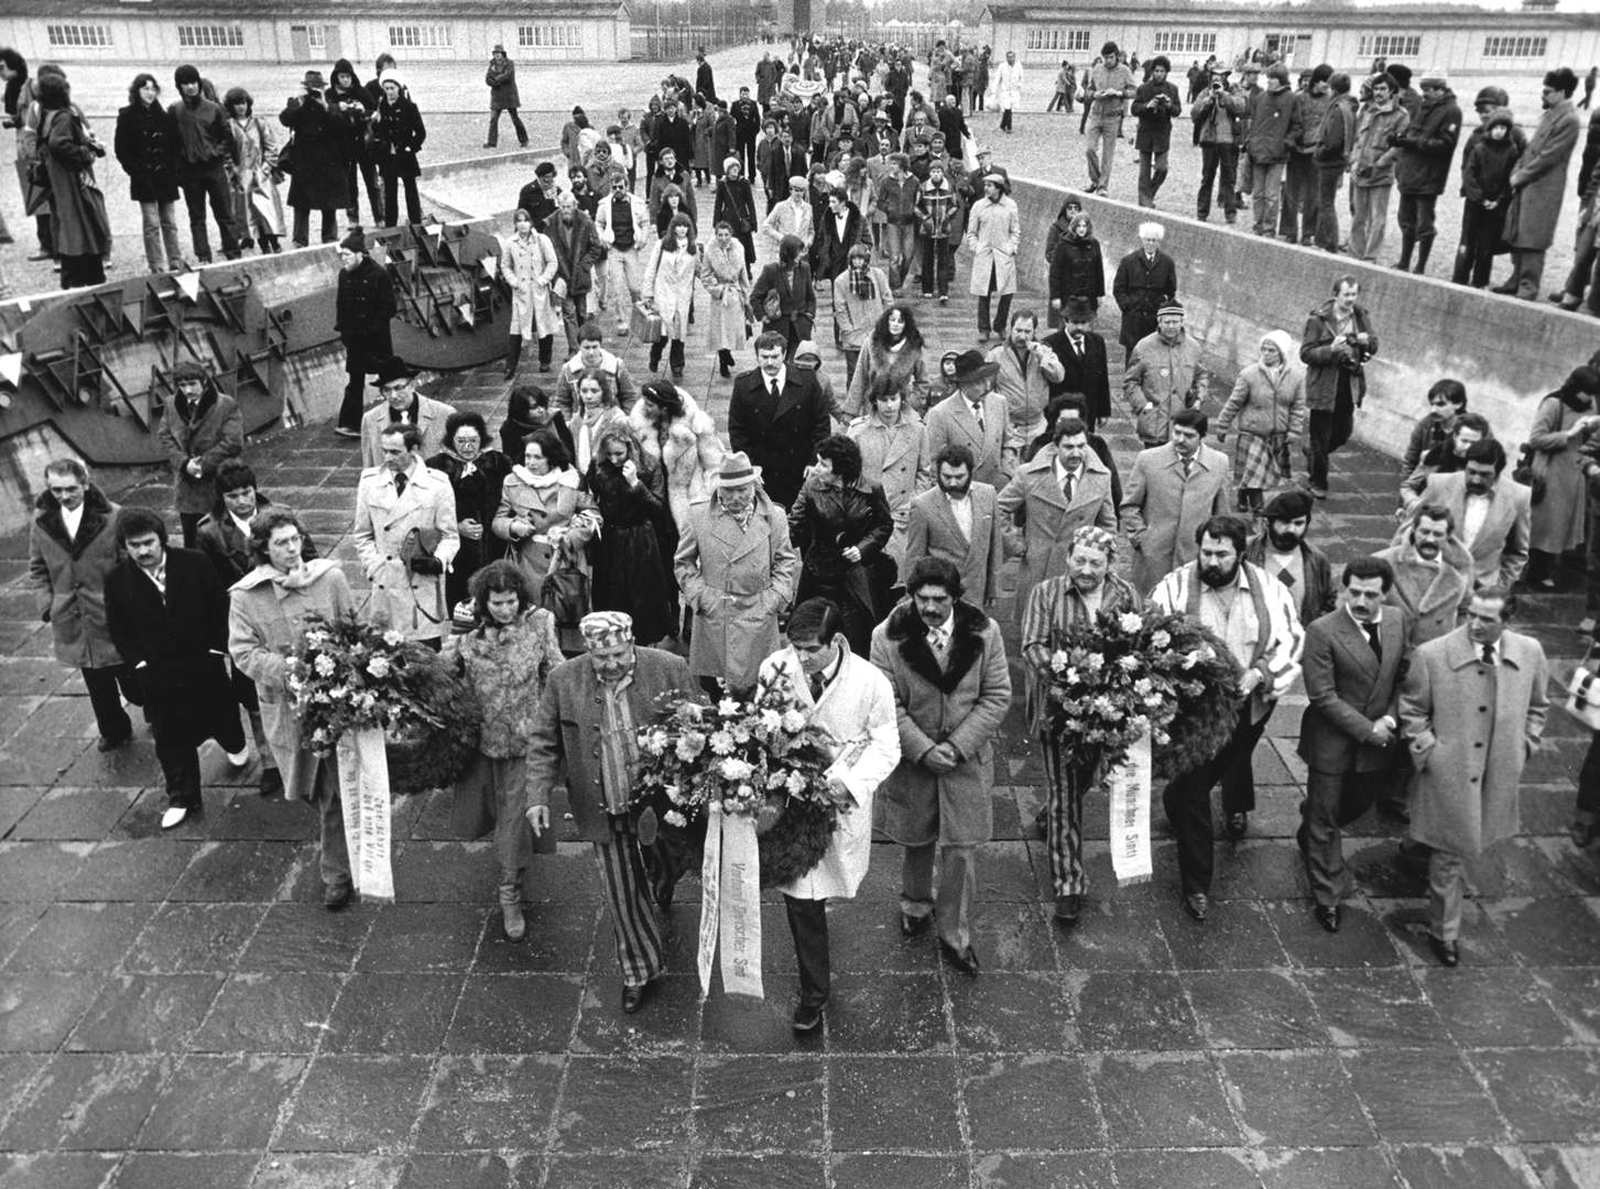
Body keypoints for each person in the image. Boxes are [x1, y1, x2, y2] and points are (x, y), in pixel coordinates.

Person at [525, 612, 698, 1012]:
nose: (611, 665)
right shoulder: (563, 680)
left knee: (667, 861)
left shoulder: (670, 668)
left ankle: (663, 877)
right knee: (622, 891)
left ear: (632, 643)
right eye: (601, 659)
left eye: (619, 655)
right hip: (604, 806)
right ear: (588, 652)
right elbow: (542, 742)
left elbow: (697, 725)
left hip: (661, 803)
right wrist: (537, 796)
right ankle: (639, 969)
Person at [1149, 515, 1304, 920]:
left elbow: (1292, 640)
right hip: (1194, 714)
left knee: (1196, 782)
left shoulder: (1270, 590)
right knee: (1192, 791)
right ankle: (1197, 884)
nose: (1212, 561)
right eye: (1206, 552)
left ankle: (1175, 799)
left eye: (1222, 554)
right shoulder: (1173, 587)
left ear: (1239, 554)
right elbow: (1151, 636)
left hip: (1247, 711)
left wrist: (1261, 673)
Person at [758, 597, 899, 1032]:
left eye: (810, 649)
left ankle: (813, 982)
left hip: (840, 797)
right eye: (794, 647)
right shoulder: (774, 669)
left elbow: (885, 744)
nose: (799, 658)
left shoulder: (871, 682)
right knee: (801, 897)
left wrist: (840, 772)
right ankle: (813, 995)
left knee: (825, 884)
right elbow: (763, 726)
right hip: (791, 804)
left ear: (837, 640)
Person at [871, 555, 1011, 976]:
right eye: (921, 599)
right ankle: (915, 905)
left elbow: (997, 695)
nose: (929, 609)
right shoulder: (887, 637)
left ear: (955, 597)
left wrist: (956, 746)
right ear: (911, 596)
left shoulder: (986, 632)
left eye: (939, 600)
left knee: (961, 853)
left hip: (964, 764)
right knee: (916, 839)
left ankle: (955, 934)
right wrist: (922, 750)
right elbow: (884, 702)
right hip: (914, 763)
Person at [1400, 588, 1548, 966]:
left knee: (1451, 840)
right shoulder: (1433, 654)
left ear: (1507, 621)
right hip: (1450, 773)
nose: (1475, 625)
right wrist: (1429, 751)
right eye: (1471, 614)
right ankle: (1444, 932)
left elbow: (1538, 705)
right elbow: (1413, 710)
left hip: (1496, 772)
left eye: (1487, 619)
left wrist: (1526, 745)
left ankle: (1413, 848)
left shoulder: (1529, 652)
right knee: (1450, 855)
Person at [228, 508, 358, 907]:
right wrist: (290, 670)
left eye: (295, 539)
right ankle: (347, 849)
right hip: (288, 712)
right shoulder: (246, 596)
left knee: (334, 792)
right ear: (263, 549)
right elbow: (243, 653)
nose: (291, 548)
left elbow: (352, 628)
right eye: (280, 543)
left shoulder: (330, 578)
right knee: (310, 790)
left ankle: (336, 873)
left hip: (334, 707)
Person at [1020, 526, 1141, 924]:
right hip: (1061, 709)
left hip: (1107, 709)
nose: (1085, 570)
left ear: (1110, 565)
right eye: (1079, 560)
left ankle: (1047, 816)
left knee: (1085, 779)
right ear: (1067, 557)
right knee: (1065, 793)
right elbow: (1033, 645)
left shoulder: (1125, 594)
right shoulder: (1046, 593)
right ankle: (1069, 884)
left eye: (1096, 563)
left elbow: (1137, 642)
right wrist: (1068, 680)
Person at [106, 508, 245, 830]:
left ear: (161, 539)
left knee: (222, 712)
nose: (143, 551)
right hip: (158, 673)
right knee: (168, 735)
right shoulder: (116, 581)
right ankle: (182, 796)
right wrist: (139, 663)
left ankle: (235, 743)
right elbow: (119, 628)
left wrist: (216, 649)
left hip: (202, 662)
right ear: (124, 546)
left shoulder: (194, 562)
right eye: (134, 545)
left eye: (148, 542)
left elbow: (219, 606)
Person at [444, 562, 560, 941]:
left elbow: (555, 673)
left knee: (514, 822)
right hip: (484, 744)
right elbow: (445, 679)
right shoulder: (468, 636)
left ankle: (509, 892)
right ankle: (514, 868)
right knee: (492, 817)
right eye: (497, 603)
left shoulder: (540, 625)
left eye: (511, 602)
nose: (505, 610)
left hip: (529, 743)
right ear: (483, 602)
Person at [1296, 557, 1409, 933]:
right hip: (1333, 742)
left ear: (1385, 594)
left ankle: (1310, 823)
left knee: (1356, 805)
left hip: (1379, 740)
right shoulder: (1322, 631)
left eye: (1371, 594)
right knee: (1326, 820)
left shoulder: (1396, 621)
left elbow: (1401, 678)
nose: (1361, 601)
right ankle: (1327, 895)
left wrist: (1390, 720)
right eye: (1354, 591)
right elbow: (1323, 697)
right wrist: (1369, 729)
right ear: (1344, 588)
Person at [29, 459, 143, 751]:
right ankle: (114, 730)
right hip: (73, 618)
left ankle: (153, 708)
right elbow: (38, 567)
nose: (64, 496)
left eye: (70, 489)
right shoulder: (42, 521)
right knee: (96, 681)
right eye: (56, 490)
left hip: (113, 617)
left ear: (86, 484)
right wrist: (48, 604)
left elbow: (131, 564)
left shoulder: (114, 517)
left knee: (134, 679)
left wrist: (130, 606)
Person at [674, 451, 799, 697]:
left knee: (763, 694)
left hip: (759, 614)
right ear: (718, 488)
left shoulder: (775, 516)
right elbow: (683, 563)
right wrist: (702, 598)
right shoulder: (698, 516)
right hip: (716, 616)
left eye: (741, 490)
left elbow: (785, 561)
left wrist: (774, 599)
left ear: (753, 485)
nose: (735, 497)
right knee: (715, 694)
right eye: (728, 491)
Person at [997, 414, 1118, 616]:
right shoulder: (1029, 475)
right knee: (1035, 631)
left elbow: (1108, 525)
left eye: (1081, 446)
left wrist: (1101, 560)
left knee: (1075, 634)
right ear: (1055, 447)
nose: (1076, 453)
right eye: (1069, 447)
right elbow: (998, 508)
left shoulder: (1101, 477)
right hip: (1038, 569)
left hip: (1080, 571)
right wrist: (1015, 545)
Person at [354, 423, 460, 645]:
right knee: (386, 664)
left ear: (413, 450)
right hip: (386, 586)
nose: (387, 457)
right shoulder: (370, 482)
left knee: (425, 660)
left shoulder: (437, 484)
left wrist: (438, 561)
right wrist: (375, 567)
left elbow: (450, 535)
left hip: (421, 587)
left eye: (395, 451)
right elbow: (362, 535)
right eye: (384, 450)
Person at [789, 434, 894, 656]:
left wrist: (863, 548)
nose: (816, 468)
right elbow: (794, 525)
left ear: (841, 469)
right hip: (820, 572)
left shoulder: (871, 489)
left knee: (857, 635)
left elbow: (884, 525)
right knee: (815, 632)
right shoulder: (811, 488)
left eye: (823, 464)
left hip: (856, 573)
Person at [1120, 407, 1233, 593]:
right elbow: (1129, 506)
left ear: (1201, 437)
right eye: (1177, 432)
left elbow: (1222, 514)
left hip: (1195, 556)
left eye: (1188, 435)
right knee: (1149, 609)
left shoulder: (1219, 463)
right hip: (1153, 557)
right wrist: (1142, 539)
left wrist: (1214, 548)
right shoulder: (1148, 460)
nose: (1180, 440)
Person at [586, 426, 678, 646]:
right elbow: (588, 495)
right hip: (610, 539)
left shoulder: (649, 465)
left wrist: (636, 484)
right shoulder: (599, 466)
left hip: (641, 539)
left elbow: (658, 507)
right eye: (609, 454)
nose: (614, 459)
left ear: (630, 448)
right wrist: (593, 514)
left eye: (619, 453)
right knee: (611, 594)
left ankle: (645, 643)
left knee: (643, 596)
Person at [493, 428, 599, 612]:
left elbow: (593, 514)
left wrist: (571, 537)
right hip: (528, 562)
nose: (531, 462)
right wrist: (513, 527)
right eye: (528, 456)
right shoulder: (512, 481)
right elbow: (498, 520)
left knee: (567, 617)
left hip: (566, 562)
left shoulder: (570, 480)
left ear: (550, 457)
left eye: (537, 457)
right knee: (534, 617)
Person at [1403, 438, 1531, 590]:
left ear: (1497, 473)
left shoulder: (1519, 496)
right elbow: (1408, 531)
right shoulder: (1439, 484)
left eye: (1485, 475)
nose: (1476, 480)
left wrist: (1500, 586)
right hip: (1431, 583)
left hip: (1480, 591)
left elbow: (1518, 552)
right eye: (1472, 472)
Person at [1501, 68, 1581, 301]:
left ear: (1562, 92)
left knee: (1534, 238)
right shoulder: (1550, 115)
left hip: (1544, 187)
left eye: (1547, 92)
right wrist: (1517, 170)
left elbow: (1549, 156)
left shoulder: (1569, 120)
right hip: (1528, 183)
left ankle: (1528, 284)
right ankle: (1516, 278)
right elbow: (1530, 150)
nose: (1543, 96)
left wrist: (1521, 175)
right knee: (1518, 232)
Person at [727, 331, 830, 510]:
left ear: (784, 355)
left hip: (799, 468)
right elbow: (737, 430)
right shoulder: (744, 385)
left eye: (775, 356)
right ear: (757, 357)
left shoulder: (806, 380)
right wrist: (749, 465)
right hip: (763, 471)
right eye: (764, 357)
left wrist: (815, 462)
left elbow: (821, 424)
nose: (769, 363)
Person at [1300, 275, 1377, 500]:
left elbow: (1374, 344)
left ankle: (1314, 454)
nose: (1351, 299)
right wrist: (1331, 350)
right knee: (1320, 436)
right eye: (1347, 295)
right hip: (1324, 385)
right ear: (1336, 295)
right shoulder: (1318, 320)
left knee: (1343, 433)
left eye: (1354, 294)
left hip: (1349, 383)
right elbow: (1305, 354)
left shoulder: (1361, 315)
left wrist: (1366, 342)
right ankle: (1318, 482)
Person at [425, 411, 512, 612]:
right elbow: (425, 512)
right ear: (451, 441)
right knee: (461, 609)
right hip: (457, 553)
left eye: (473, 440)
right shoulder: (435, 467)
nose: (467, 447)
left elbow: (513, 501)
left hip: (494, 547)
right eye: (461, 441)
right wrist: (456, 528)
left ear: (482, 439)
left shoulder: (498, 463)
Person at [1214, 330, 1307, 515]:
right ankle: (1257, 509)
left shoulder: (1296, 378)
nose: (1266, 353)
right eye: (1263, 349)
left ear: (1281, 352)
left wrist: (1294, 430)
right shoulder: (1249, 375)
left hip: (1277, 435)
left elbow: (1298, 407)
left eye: (1271, 350)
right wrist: (1222, 425)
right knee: (1255, 476)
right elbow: (1234, 402)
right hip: (1252, 433)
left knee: (1262, 476)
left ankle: (1243, 496)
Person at [156, 360, 243, 549]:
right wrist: (183, 463)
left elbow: (233, 442)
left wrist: (203, 464)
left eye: (192, 384)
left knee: (223, 541)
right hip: (187, 489)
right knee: (192, 541)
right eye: (182, 385)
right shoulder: (171, 404)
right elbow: (165, 436)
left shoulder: (225, 405)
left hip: (216, 483)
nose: (187, 390)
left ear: (204, 382)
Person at [35, 71, 110, 288]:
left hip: (61, 185)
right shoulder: (64, 116)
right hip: (74, 183)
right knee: (88, 227)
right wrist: (86, 153)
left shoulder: (47, 116)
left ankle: (73, 281)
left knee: (70, 232)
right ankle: (90, 281)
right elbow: (59, 144)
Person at [1526, 368, 1600, 588]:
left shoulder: (1590, 407)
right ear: (1576, 388)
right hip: (1551, 473)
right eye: (1587, 392)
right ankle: (1535, 574)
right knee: (1545, 526)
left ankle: (1546, 571)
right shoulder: (1553, 404)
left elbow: (1589, 440)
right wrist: (1567, 434)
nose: (1589, 398)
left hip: (1574, 473)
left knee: (1562, 528)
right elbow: (1536, 439)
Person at [905, 446, 1004, 609]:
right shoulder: (922, 505)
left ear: (971, 473)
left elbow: (995, 546)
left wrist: (993, 589)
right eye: (946, 476)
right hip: (938, 597)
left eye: (959, 477)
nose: (952, 482)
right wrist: (913, 598)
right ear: (938, 474)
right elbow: (914, 556)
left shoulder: (988, 494)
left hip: (976, 594)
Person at [848, 381, 926, 571]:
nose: (889, 405)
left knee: (901, 580)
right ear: (874, 401)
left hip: (903, 517)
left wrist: (914, 502)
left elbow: (925, 472)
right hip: (868, 520)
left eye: (894, 399)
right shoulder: (859, 431)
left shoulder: (917, 429)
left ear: (902, 399)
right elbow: (847, 475)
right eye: (883, 400)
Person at [628, 379, 724, 530]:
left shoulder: (695, 425)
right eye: (645, 403)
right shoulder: (641, 426)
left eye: (650, 405)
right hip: (656, 490)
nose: (645, 408)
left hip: (685, 490)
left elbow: (713, 462)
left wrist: (708, 491)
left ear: (664, 408)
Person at [168, 63, 240, 264]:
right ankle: (203, 256)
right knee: (197, 218)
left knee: (225, 214)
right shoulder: (175, 111)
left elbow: (227, 138)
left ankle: (233, 253)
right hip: (190, 173)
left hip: (214, 169)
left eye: (193, 82)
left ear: (199, 83)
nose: (190, 87)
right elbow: (172, 144)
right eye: (185, 84)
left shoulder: (214, 109)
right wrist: (179, 169)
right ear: (179, 86)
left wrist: (215, 153)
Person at [1391, 73, 1462, 274]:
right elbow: (1412, 132)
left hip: (1429, 177)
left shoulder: (1452, 112)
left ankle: (1420, 266)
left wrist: (1413, 142)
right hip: (1411, 173)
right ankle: (1404, 262)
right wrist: (1399, 139)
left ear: (1440, 89)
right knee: (1406, 220)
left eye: (1428, 90)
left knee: (1424, 224)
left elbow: (1446, 145)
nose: (1424, 95)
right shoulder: (1423, 107)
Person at [1375, 505, 1475, 647]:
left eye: (1438, 534)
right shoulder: (1384, 563)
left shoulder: (1461, 568)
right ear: (1414, 529)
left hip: (1436, 654)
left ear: (1448, 535)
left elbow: (1464, 611)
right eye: (1425, 532)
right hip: (1391, 651)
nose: (1430, 539)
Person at [114, 73, 185, 273]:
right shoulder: (127, 116)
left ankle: (175, 261)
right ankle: (156, 264)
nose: (150, 93)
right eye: (145, 88)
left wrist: (173, 169)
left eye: (153, 88)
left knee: (169, 222)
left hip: (165, 177)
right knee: (151, 224)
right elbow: (121, 149)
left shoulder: (164, 116)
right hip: (144, 178)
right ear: (136, 91)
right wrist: (134, 170)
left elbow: (176, 144)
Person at [335, 227, 398, 438]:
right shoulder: (344, 275)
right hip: (355, 339)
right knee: (355, 382)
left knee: (389, 380)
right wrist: (343, 331)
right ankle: (349, 423)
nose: (343, 259)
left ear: (359, 253)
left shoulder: (380, 274)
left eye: (347, 255)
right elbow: (341, 306)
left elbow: (389, 306)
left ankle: (398, 419)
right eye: (341, 255)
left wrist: (373, 328)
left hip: (376, 339)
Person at [923, 348, 1016, 491]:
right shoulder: (940, 414)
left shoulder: (999, 402)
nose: (987, 387)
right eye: (979, 382)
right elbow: (935, 464)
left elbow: (1008, 441)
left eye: (987, 380)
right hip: (963, 493)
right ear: (963, 385)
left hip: (998, 490)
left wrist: (1007, 473)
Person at [1244, 488, 1337, 629]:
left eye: (1298, 523)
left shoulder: (1317, 560)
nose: (1291, 530)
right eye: (1284, 522)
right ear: (1267, 523)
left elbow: (1330, 603)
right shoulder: (1245, 551)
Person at [279, 71, 350, 249]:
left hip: (328, 161)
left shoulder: (330, 105)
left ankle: (330, 239)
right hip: (305, 161)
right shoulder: (297, 104)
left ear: (324, 89)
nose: (314, 94)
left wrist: (325, 105)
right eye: (311, 90)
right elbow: (285, 119)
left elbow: (342, 127)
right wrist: (300, 100)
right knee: (301, 203)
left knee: (329, 203)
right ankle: (299, 240)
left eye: (317, 90)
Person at [1123, 299, 1207, 448]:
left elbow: (1201, 376)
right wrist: (1143, 406)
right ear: (1159, 322)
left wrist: (1198, 400)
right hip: (1154, 424)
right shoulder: (1144, 347)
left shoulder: (1193, 347)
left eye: (1175, 322)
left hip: (1183, 424)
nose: (1171, 326)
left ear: (1182, 322)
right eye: (1167, 322)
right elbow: (1131, 382)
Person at [1348, 73, 1410, 263]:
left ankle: (1370, 255)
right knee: (1358, 216)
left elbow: (1398, 148)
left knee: (1377, 218)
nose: (1378, 93)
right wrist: (1353, 162)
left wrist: (1377, 165)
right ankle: (1356, 252)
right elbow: (1358, 139)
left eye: (1383, 89)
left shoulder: (1400, 115)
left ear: (1391, 91)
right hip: (1360, 171)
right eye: (1376, 89)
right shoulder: (1366, 111)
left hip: (1380, 175)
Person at [359, 357, 455, 471]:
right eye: (386, 390)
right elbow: (368, 467)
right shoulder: (370, 419)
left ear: (412, 385)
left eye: (398, 388)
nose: (393, 396)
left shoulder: (445, 413)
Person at [223, 87, 285, 255]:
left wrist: (266, 168)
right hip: (242, 177)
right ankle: (263, 245)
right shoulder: (229, 127)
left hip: (261, 175)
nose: (241, 107)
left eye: (243, 103)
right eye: (237, 104)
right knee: (251, 215)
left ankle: (275, 243)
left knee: (267, 211)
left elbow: (271, 147)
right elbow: (226, 153)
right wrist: (234, 171)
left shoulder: (259, 123)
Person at [501, 207, 561, 377]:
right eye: (518, 221)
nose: (522, 225)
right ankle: (510, 366)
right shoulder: (510, 243)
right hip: (521, 291)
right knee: (517, 327)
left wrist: (543, 279)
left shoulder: (541, 240)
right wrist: (514, 281)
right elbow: (505, 265)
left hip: (539, 289)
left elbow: (552, 262)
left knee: (544, 323)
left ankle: (545, 360)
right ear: (515, 224)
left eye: (525, 220)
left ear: (531, 222)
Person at [1244, 64, 1302, 237]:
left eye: (1273, 78)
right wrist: (1250, 143)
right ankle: (1257, 225)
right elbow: (1253, 123)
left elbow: (1297, 126)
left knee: (1271, 196)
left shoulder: (1291, 98)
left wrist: (1286, 143)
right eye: (1268, 77)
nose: (1269, 81)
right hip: (1258, 153)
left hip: (1277, 155)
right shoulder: (1260, 98)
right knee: (1258, 194)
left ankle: (1269, 228)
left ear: (1282, 80)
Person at [1041, 297, 1112, 434]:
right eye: (1075, 322)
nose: (1079, 327)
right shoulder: (1051, 344)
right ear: (1065, 321)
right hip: (1061, 413)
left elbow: (1102, 378)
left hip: (1088, 411)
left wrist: (1103, 411)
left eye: (1083, 323)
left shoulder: (1097, 342)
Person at [845, 303, 927, 418]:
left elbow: (923, 382)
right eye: (892, 320)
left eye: (900, 321)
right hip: (872, 407)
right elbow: (860, 376)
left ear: (906, 324)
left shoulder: (914, 348)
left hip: (900, 409)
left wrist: (909, 403)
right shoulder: (871, 343)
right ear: (886, 321)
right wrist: (851, 410)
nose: (895, 324)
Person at [641, 212, 697, 380]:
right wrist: (648, 293)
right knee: (664, 332)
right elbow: (651, 269)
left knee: (679, 333)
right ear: (673, 227)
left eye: (685, 226)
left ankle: (677, 365)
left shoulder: (693, 249)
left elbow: (701, 270)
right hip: (663, 293)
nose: (682, 229)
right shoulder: (662, 245)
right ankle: (655, 355)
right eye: (679, 225)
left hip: (682, 295)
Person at [965, 173, 1020, 341]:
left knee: (1007, 293)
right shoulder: (978, 206)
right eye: (985, 185)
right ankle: (983, 328)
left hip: (1004, 256)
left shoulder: (1010, 205)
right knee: (984, 293)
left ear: (998, 188)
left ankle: (1000, 325)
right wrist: (976, 247)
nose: (986, 188)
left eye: (990, 185)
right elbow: (971, 232)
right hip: (985, 255)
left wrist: (1011, 248)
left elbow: (1015, 230)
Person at [1112, 222, 1177, 364]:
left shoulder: (1167, 263)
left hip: (1153, 319)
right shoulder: (1129, 261)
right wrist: (1127, 306)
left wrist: (1161, 307)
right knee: (1133, 358)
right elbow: (1118, 288)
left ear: (1158, 241)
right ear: (1142, 240)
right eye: (1148, 240)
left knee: (1153, 358)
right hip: (1133, 318)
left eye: (1154, 240)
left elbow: (1171, 290)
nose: (1150, 243)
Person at [328, 59, 381, 226]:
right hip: (344, 146)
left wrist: (362, 110)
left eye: (348, 76)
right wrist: (338, 108)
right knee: (350, 184)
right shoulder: (330, 95)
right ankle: (352, 218)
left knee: (372, 183)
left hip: (363, 144)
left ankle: (379, 216)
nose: (346, 80)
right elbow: (325, 114)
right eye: (342, 77)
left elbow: (374, 111)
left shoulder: (360, 91)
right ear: (336, 77)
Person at [372, 69, 425, 228]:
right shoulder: (381, 106)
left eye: (392, 88)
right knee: (390, 194)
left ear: (398, 88)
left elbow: (421, 132)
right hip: (388, 157)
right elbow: (378, 131)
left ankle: (416, 224)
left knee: (410, 192)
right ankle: (391, 227)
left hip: (405, 156)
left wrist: (411, 148)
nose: (389, 92)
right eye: (386, 88)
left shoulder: (409, 106)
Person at [1312, 73, 1359, 252]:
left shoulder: (1338, 108)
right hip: (1337, 161)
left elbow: (1333, 141)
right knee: (1326, 201)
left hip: (1330, 162)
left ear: (1334, 89)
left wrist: (1319, 153)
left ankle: (1329, 242)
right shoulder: (1350, 106)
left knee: (1325, 203)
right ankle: (1323, 239)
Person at [750, 234, 816, 359]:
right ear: (788, 253)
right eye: (798, 252)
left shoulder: (805, 268)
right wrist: (762, 317)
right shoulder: (771, 271)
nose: (801, 255)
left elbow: (811, 297)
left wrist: (809, 315)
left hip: (800, 328)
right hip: (777, 327)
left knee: (794, 364)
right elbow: (755, 297)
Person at [1083, 42, 1136, 193]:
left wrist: (1119, 93)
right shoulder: (1097, 69)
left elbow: (1135, 91)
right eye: (1105, 58)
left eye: (1111, 57)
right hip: (1096, 114)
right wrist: (1094, 94)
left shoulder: (1125, 71)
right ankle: (1095, 180)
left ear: (1117, 56)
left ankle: (1102, 186)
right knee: (1089, 149)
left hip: (1113, 117)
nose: (1108, 61)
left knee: (1108, 153)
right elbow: (1088, 90)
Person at [1132, 55, 1181, 207]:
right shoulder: (1143, 89)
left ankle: (1149, 194)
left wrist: (1169, 105)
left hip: (1162, 133)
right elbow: (1134, 109)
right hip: (1145, 132)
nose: (1159, 74)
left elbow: (1177, 111)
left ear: (1166, 72)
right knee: (1144, 172)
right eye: (1156, 71)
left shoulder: (1172, 89)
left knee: (1162, 168)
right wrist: (1148, 106)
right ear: (1152, 71)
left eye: (1162, 71)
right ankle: (1144, 202)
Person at [1401, 379, 1469, 481]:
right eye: (1432, 404)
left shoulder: (1472, 431)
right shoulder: (1425, 425)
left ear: (1458, 404)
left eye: (1441, 404)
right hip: (1424, 487)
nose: (1433, 410)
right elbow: (1410, 461)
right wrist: (1406, 489)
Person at [1047, 212, 1105, 325]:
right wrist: (1055, 296)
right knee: (1066, 328)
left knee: (1087, 329)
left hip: (1089, 296)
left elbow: (1099, 270)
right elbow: (1055, 273)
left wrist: (1100, 294)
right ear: (1074, 227)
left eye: (1084, 226)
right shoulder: (1063, 244)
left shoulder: (1094, 244)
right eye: (1079, 226)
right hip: (1068, 296)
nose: (1081, 229)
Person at [915, 155, 960, 302]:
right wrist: (925, 218)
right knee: (927, 259)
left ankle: (943, 291)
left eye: (939, 171)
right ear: (930, 173)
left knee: (943, 260)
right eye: (933, 171)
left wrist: (947, 217)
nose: (936, 174)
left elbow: (955, 205)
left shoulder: (949, 187)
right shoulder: (922, 187)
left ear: (942, 173)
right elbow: (916, 206)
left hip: (943, 228)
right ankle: (927, 289)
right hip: (928, 228)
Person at [483, 45, 529, 150]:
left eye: (498, 53)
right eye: (495, 54)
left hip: (509, 95)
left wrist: (495, 79)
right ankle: (491, 142)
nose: (497, 55)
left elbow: (508, 75)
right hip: (497, 96)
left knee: (515, 118)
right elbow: (487, 78)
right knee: (493, 119)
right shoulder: (492, 64)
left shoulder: (509, 63)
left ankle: (524, 140)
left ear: (503, 54)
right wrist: (494, 83)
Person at [993, 49, 1023, 134]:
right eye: (1009, 57)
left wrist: (1019, 85)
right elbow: (997, 78)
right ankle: (1009, 126)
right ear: (1006, 58)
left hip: (1014, 90)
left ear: (1014, 57)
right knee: (1007, 108)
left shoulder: (1018, 66)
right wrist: (994, 89)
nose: (1010, 59)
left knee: (1009, 108)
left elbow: (1021, 77)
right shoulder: (1002, 66)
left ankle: (1002, 125)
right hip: (1005, 90)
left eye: (1012, 57)